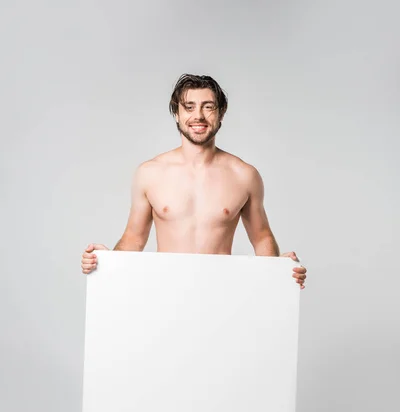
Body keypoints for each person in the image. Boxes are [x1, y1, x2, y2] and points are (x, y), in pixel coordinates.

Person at [81, 73, 307, 289]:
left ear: (221, 113)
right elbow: (134, 238)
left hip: (222, 292)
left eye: (208, 107)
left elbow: (261, 237)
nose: (198, 115)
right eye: (189, 107)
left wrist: (278, 270)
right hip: (165, 289)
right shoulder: (150, 173)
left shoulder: (244, 175)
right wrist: (107, 261)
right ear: (177, 114)